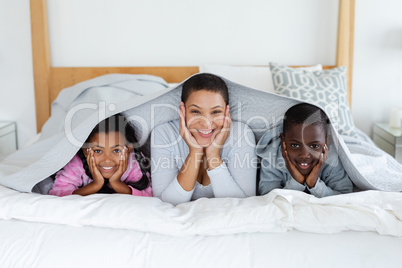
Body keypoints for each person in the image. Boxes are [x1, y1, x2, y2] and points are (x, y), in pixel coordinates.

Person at [151, 73, 257, 205]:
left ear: (226, 112)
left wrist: (214, 154)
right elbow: (164, 204)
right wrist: (194, 152)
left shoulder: (241, 134)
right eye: (196, 112)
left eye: (216, 112)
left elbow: (244, 205)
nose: (206, 123)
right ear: (182, 110)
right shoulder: (164, 134)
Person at [256, 103, 353, 198]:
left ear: (326, 143)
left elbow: (346, 196)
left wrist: (314, 184)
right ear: (283, 141)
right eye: (295, 145)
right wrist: (297, 182)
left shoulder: (332, 159)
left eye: (314, 146)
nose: (304, 155)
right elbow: (268, 198)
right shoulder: (271, 159)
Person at [49, 114, 152, 197]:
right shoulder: (75, 164)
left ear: (128, 150)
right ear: (86, 151)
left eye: (116, 150)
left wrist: (116, 183)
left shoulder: (133, 163)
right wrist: (96, 185)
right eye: (98, 151)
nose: (107, 160)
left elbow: (149, 196)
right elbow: (58, 195)